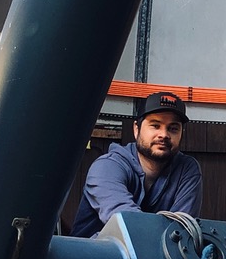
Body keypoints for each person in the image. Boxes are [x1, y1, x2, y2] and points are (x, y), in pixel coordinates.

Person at [70, 91, 202, 238]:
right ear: (136, 129)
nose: (164, 134)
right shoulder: (106, 167)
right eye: (155, 125)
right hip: (93, 257)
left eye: (173, 128)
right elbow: (130, 225)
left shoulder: (187, 169)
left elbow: (181, 232)